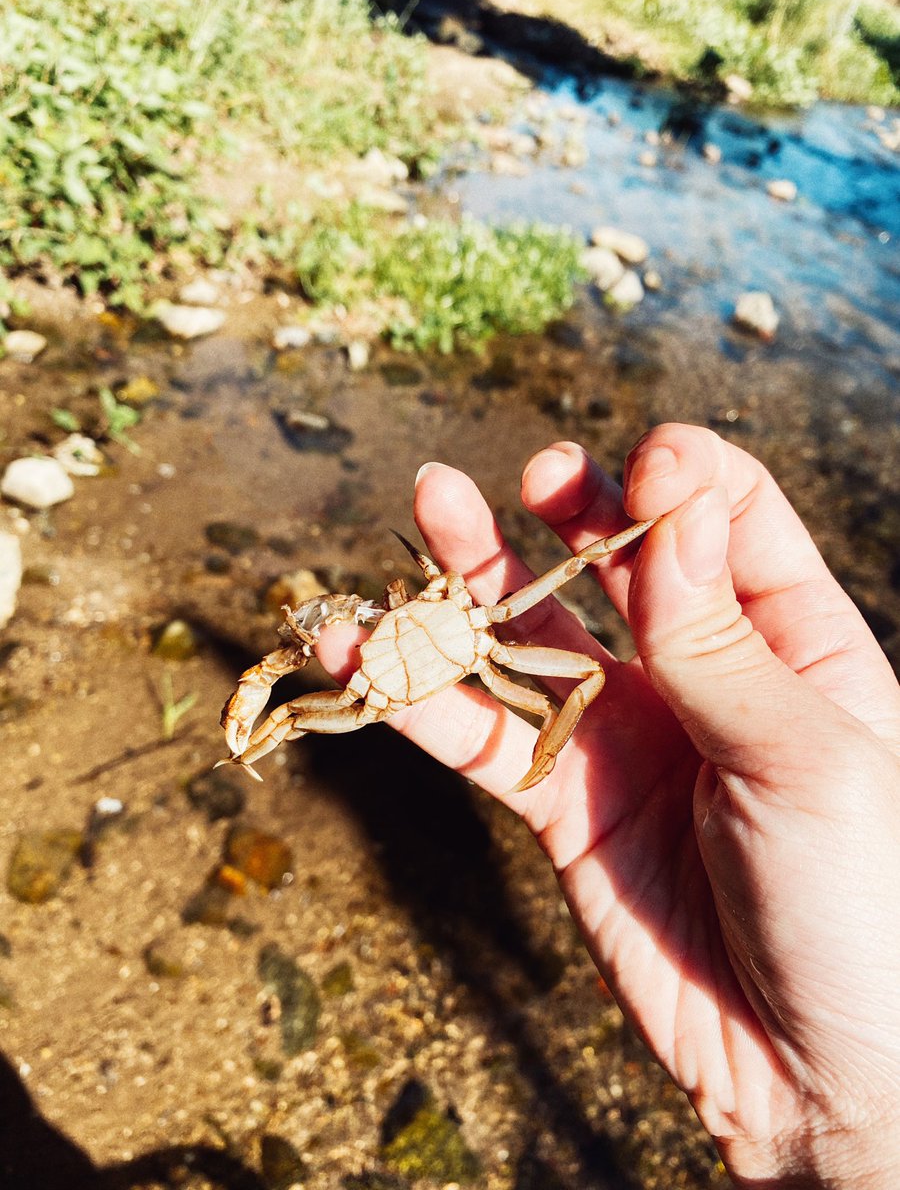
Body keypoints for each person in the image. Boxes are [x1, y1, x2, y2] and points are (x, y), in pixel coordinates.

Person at [316, 423, 900, 1187]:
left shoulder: (491, 625)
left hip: (486, 651)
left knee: (581, 650)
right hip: (476, 653)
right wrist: (864, 1124)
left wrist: (868, 1121)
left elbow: (583, 665)